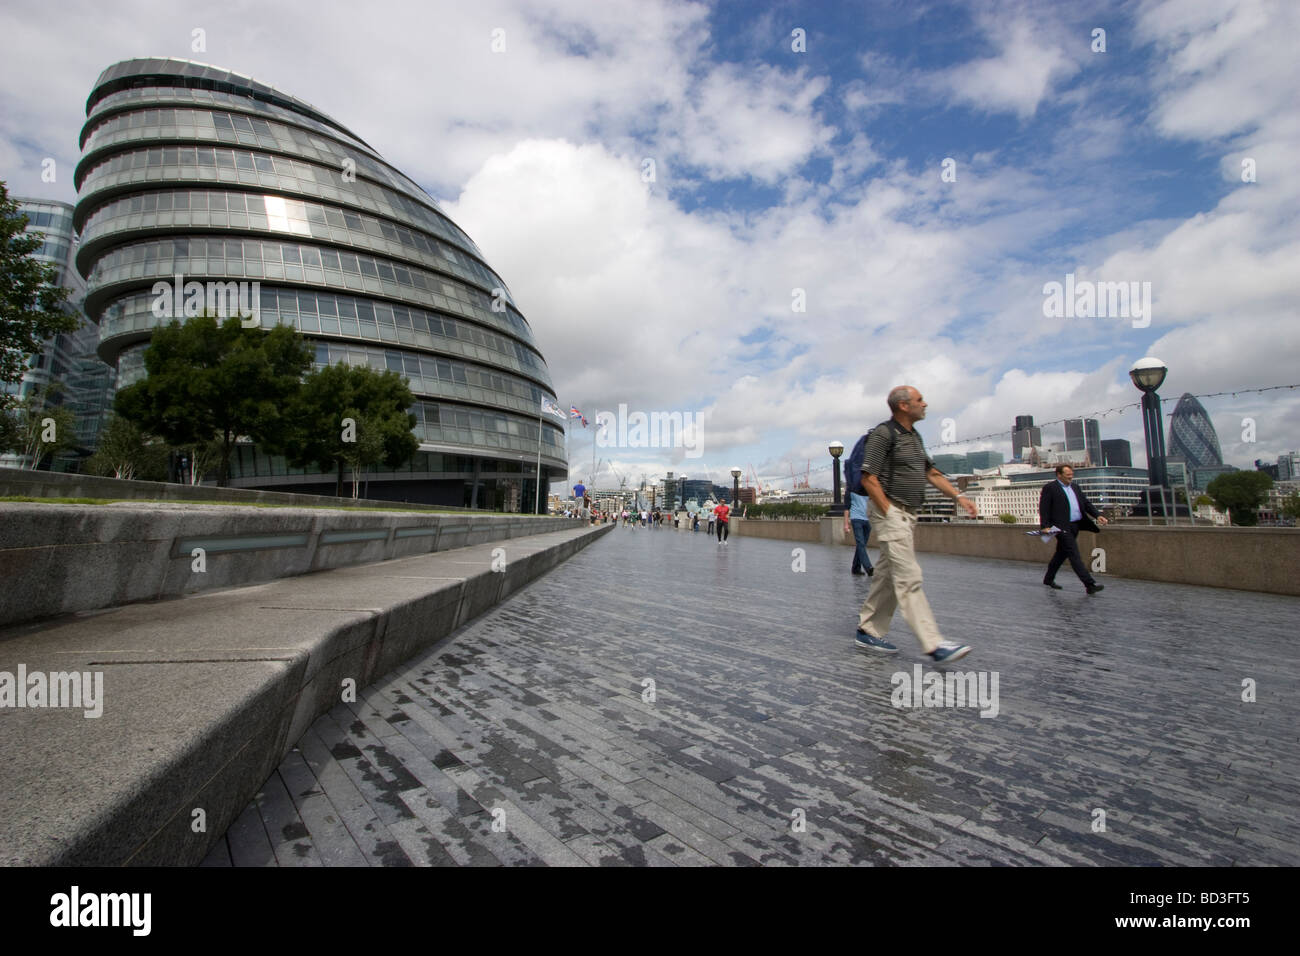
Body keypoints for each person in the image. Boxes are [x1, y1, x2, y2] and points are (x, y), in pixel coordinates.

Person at [854, 386, 976, 663]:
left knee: (887, 576)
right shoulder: (883, 434)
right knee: (909, 577)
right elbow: (868, 478)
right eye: (920, 400)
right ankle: (934, 644)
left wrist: (959, 496)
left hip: (908, 514)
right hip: (892, 512)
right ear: (903, 406)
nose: (926, 404)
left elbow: (930, 472)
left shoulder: (914, 437)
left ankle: (867, 629)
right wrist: (889, 512)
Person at [1039, 464, 1108, 593]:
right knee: (1074, 554)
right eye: (1067, 474)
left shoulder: (1075, 487)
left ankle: (1048, 579)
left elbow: (1086, 504)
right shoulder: (1050, 488)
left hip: (1075, 525)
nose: (1071, 476)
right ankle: (1089, 584)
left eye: (1071, 473)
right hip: (1061, 527)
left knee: (1061, 554)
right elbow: (1044, 508)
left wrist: (1098, 516)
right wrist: (1045, 526)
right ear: (1059, 475)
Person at [842, 485, 874, 577]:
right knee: (860, 543)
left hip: (867, 520)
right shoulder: (850, 490)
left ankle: (856, 568)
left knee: (862, 545)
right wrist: (846, 524)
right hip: (856, 519)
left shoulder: (867, 489)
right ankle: (868, 567)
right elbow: (846, 508)